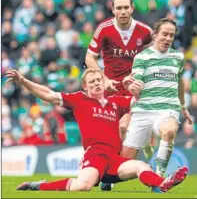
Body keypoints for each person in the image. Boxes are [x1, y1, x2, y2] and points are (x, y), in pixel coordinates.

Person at [5, 68, 188, 192]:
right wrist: (22, 81)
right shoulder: (79, 99)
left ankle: (162, 184)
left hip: (115, 158)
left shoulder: (116, 102)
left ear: (103, 82)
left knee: (142, 166)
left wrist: (144, 87)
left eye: (99, 80)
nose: (96, 83)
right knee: (83, 186)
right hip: (95, 155)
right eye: (91, 82)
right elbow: (48, 95)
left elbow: (140, 101)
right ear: (85, 86)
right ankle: (39, 186)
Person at [85, 0, 154, 190]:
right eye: (119, 8)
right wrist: (103, 79)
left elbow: (154, 56)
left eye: (126, 7)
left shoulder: (144, 31)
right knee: (112, 135)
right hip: (110, 88)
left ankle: (112, 175)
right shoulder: (104, 29)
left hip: (133, 89)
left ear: (132, 8)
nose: (123, 11)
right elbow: (90, 58)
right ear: (113, 9)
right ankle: (111, 174)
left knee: (124, 126)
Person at [121, 18, 193, 190]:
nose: (168, 38)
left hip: (168, 109)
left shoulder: (178, 57)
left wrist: (183, 107)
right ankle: (145, 143)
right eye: (165, 34)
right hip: (143, 111)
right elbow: (135, 88)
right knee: (122, 167)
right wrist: (130, 86)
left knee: (169, 131)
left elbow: (180, 82)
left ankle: (159, 179)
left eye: (171, 35)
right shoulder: (142, 57)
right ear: (155, 35)